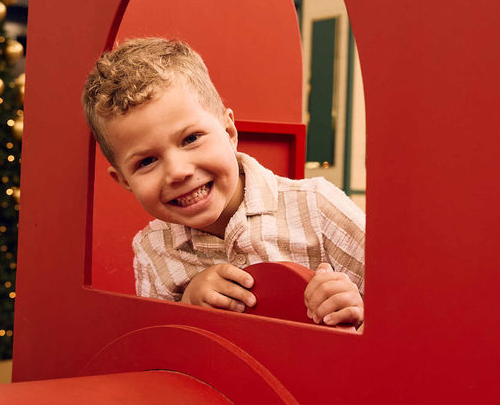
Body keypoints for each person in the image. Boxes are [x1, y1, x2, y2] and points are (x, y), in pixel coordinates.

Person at [82, 37, 365, 327]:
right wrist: (187, 306)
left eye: (191, 139)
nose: (178, 172)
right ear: (125, 181)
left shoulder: (317, 207)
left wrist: (357, 307)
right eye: (147, 162)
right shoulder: (152, 248)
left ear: (229, 131)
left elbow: (404, 302)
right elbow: (158, 352)